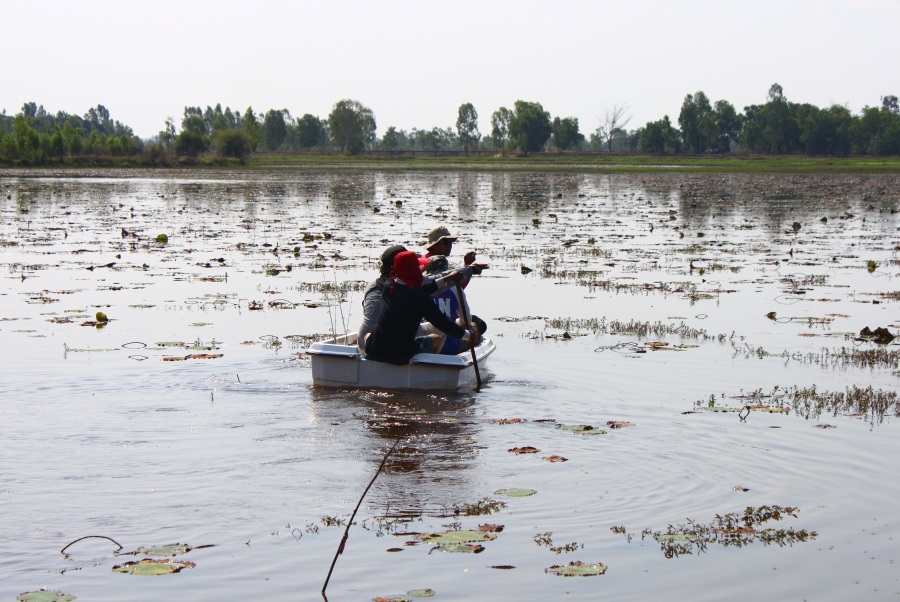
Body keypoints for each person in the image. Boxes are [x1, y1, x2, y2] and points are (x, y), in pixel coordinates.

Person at [365, 251, 479, 365]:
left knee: (368, 335)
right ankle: (428, 370)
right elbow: (442, 323)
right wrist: (468, 336)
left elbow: (417, 291)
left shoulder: (389, 285)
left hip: (374, 350)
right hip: (401, 354)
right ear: (413, 271)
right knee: (436, 338)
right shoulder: (420, 298)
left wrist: (446, 279)